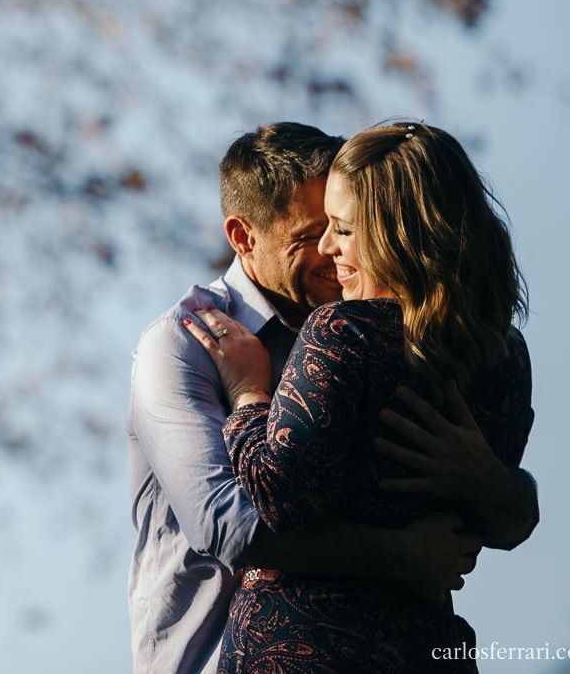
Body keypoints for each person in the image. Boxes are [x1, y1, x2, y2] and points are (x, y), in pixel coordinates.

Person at [127, 122, 538, 674]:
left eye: (344, 227)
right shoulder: (184, 343)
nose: (330, 249)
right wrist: (402, 555)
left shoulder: (383, 336)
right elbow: (229, 524)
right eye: (309, 234)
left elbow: (507, 518)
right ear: (243, 236)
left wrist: (490, 481)